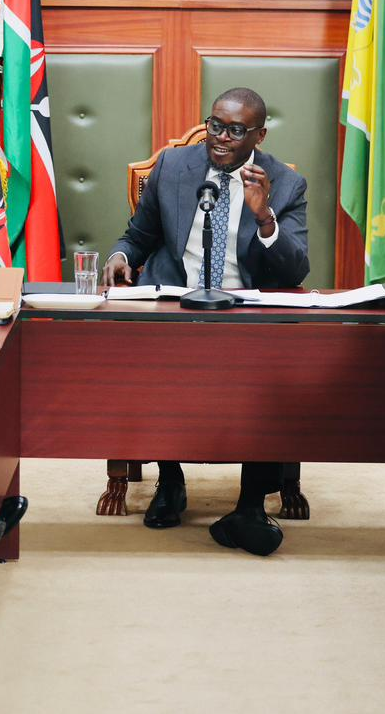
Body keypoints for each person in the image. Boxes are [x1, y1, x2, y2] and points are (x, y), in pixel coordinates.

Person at [101, 87, 310, 556]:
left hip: (245, 311)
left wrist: (265, 218)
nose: (220, 138)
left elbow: (296, 272)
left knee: (271, 374)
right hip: (176, 302)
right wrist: (119, 257)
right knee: (157, 362)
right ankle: (169, 481)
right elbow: (139, 235)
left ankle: (252, 504)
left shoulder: (284, 183)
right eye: (215, 124)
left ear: (258, 134)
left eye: (236, 131)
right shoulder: (174, 167)